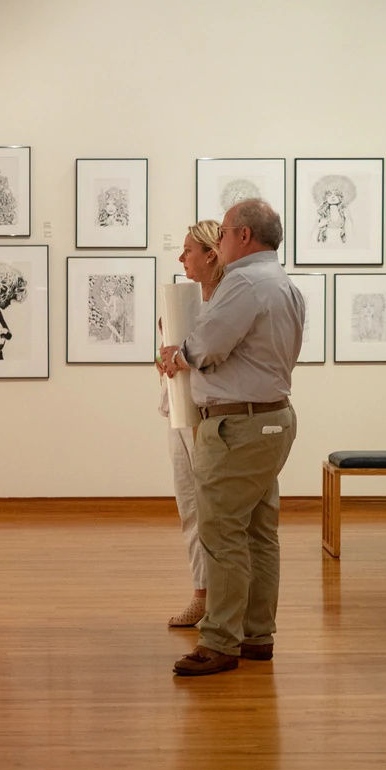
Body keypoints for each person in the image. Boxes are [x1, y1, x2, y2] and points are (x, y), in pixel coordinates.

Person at [160, 199, 304, 677]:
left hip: (237, 426)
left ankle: (219, 642)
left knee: (221, 532)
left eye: (222, 233)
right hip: (274, 419)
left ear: (244, 236)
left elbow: (209, 345)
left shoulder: (243, 282)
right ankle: (257, 635)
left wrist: (178, 355)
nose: (217, 241)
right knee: (260, 533)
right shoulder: (284, 284)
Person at [159, 219, 223, 628]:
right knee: (189, 507)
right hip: (178, 414)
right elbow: (169, 354)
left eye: (188, 250)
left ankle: (223, 600)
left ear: (211, 254)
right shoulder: (181, 299)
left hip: (208, 415)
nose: (181, 257)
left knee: (213, 511)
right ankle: (201, 594)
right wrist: (164, 359)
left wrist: (182, 358)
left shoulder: (226, 305)